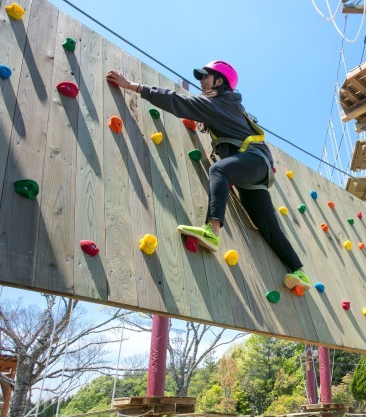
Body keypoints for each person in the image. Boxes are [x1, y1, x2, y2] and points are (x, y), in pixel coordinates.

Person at [106, 61, 311, 291]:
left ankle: (212, 232)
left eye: (206, 76)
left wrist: (132, 85)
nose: (201, 81)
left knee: (219, 169)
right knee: (267, 225)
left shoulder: (218, 103)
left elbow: (177, 101)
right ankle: (299, 272)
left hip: (253, 161)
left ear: (219, 81)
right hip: (253, 170)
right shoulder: (229, 105)